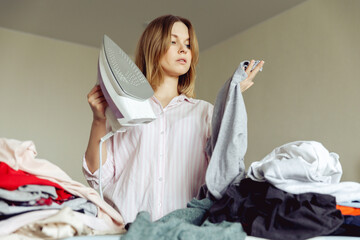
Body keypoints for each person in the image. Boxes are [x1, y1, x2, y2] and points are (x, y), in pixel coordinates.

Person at [83, 14, 264, 224]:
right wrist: (98, 119)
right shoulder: (126, 111)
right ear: (152, 47)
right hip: (128, 230)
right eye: (173, 41)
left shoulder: (205, 113)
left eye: (188, 44)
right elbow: (98, 178)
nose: (183, 49)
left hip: (186, 230)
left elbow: (223, 173)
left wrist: (230, 98)